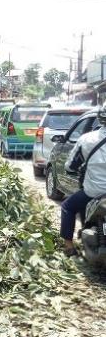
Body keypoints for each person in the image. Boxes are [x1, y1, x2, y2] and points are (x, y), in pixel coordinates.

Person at [61, 107, 106, 256]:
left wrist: (70, 169)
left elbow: (71, 165)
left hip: (94, 192)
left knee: (67, 206)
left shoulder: (87, 139)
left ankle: (69, 247)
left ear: (100, 118)